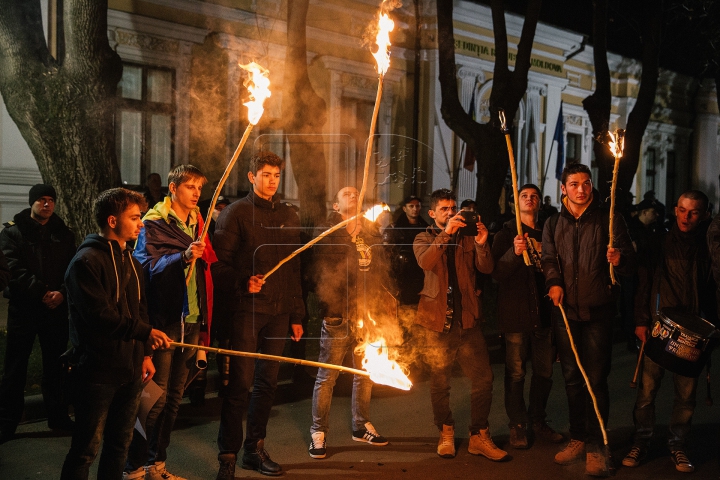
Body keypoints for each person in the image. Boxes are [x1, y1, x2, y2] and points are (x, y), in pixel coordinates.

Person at [60, 188, 171, 480]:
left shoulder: (131, 261)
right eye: (134, 217)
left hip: (131, 370)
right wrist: (145, 332)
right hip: (97, 371)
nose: (141, 224)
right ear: (112, 221)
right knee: (86, 448)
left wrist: (145, 353)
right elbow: (100, 316)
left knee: (119, 445)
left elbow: (140, 309)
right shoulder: (86, 262)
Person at [212, 151, 305, 478]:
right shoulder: (235, 213)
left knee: (267, 384)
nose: (271, 181)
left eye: (276, 176)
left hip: (279, 313)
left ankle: (254, 448)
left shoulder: (288, 214)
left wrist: (297, 314)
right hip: (247, 312)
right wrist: (242, 282)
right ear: (252, 176)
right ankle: (227, 455)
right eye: (265, 174)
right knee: (240, 384)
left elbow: (294, 267)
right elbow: (216, 265)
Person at [541, 163, 636, 476]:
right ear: (563, 188)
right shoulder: (554, 223)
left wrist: (620, 260)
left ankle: (598, 445)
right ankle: (578, 437)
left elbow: (630, 260)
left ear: (592, 185)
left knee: (595, 378)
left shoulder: (610, 220)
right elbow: (549, 258)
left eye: (585, 183)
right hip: (566, 311)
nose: (581, 189)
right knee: (571, 377)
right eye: (573, 184)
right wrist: (553, 282)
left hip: (599, 309)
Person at [124, 165, 216, 480]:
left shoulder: (198, 223)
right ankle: (133, 465)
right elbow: (146, 268)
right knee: (153, 399)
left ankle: (156, 465)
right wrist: (184, 257)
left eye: (200, 189)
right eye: (190, 187)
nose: (196, 194)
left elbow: (206, 272)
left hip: (191, 317)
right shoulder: (153, 223)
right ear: (173, 188)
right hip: (164, 320)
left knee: (174, 399)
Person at [622, 190, 716, 473]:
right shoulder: (657, 243)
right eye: (683, 210)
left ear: (704, 214)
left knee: (686, 396)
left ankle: (678, 445)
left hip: (693, 332)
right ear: (675, 210)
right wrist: (640, 321)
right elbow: (643, 285)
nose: (687, 217)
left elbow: (713, 289)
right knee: (647, 392)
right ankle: (641, 442)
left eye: (694, 212)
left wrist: (713, 327)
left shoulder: (707, 247)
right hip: (658, 327)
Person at [413, 188, 507, 461]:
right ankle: (446, 432)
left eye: (453, 208)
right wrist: (447, 234)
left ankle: (479, 435)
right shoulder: (423, 237)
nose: (451, 212)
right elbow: (426, 261)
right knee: (440, 383)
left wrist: (481, 242)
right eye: (444, 209)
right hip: (438, 320)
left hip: (467, 320)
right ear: (432, 214)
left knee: (483, 379)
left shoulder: (467, 238)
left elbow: (486, 268)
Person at [309, 187, 390, 460]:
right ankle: (318, 432)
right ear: (335, 205)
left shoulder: (370, 231)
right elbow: (322, 268)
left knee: (364, 373)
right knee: (327, 377)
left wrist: (381, 304)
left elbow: (380, 268)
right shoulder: (327, 231)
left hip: (366, 313)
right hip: (337, 315)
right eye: (345, 193)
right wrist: (348, 235)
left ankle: (360, 424)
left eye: (356, 192)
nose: (353, 194)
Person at [0, 184, 76, 443]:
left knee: (56, 366)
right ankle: (8, 422)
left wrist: (62, 293)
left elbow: (73, 268)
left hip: (55, 309)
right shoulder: (13, 232)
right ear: (32, 202)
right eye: (42, 200)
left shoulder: (63, 233)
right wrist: (43, 292)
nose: (47, 204)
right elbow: (13, 268)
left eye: (51, 200)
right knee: (15, 368)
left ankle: (58, 417)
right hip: (25, 308)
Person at [491, 184, 562, 449]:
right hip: (515, 313)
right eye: (524, 196)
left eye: (534, 196)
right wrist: (515, 252)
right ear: (515, 203)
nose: (529, 199)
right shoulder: (506, 233)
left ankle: (538, 420)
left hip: (544, 313)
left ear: (539, 202)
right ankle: (517, 425)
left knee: (544, 371)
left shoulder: (549, 232)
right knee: (516, 372)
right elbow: (496, 274)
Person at [383, 195, 429, 306]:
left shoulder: (426, 228)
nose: (415, 209)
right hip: (400, 275)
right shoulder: (394, 228)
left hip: (420, 274)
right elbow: (385, 253)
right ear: (404, 208)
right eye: (411, 206)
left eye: (417, 206)